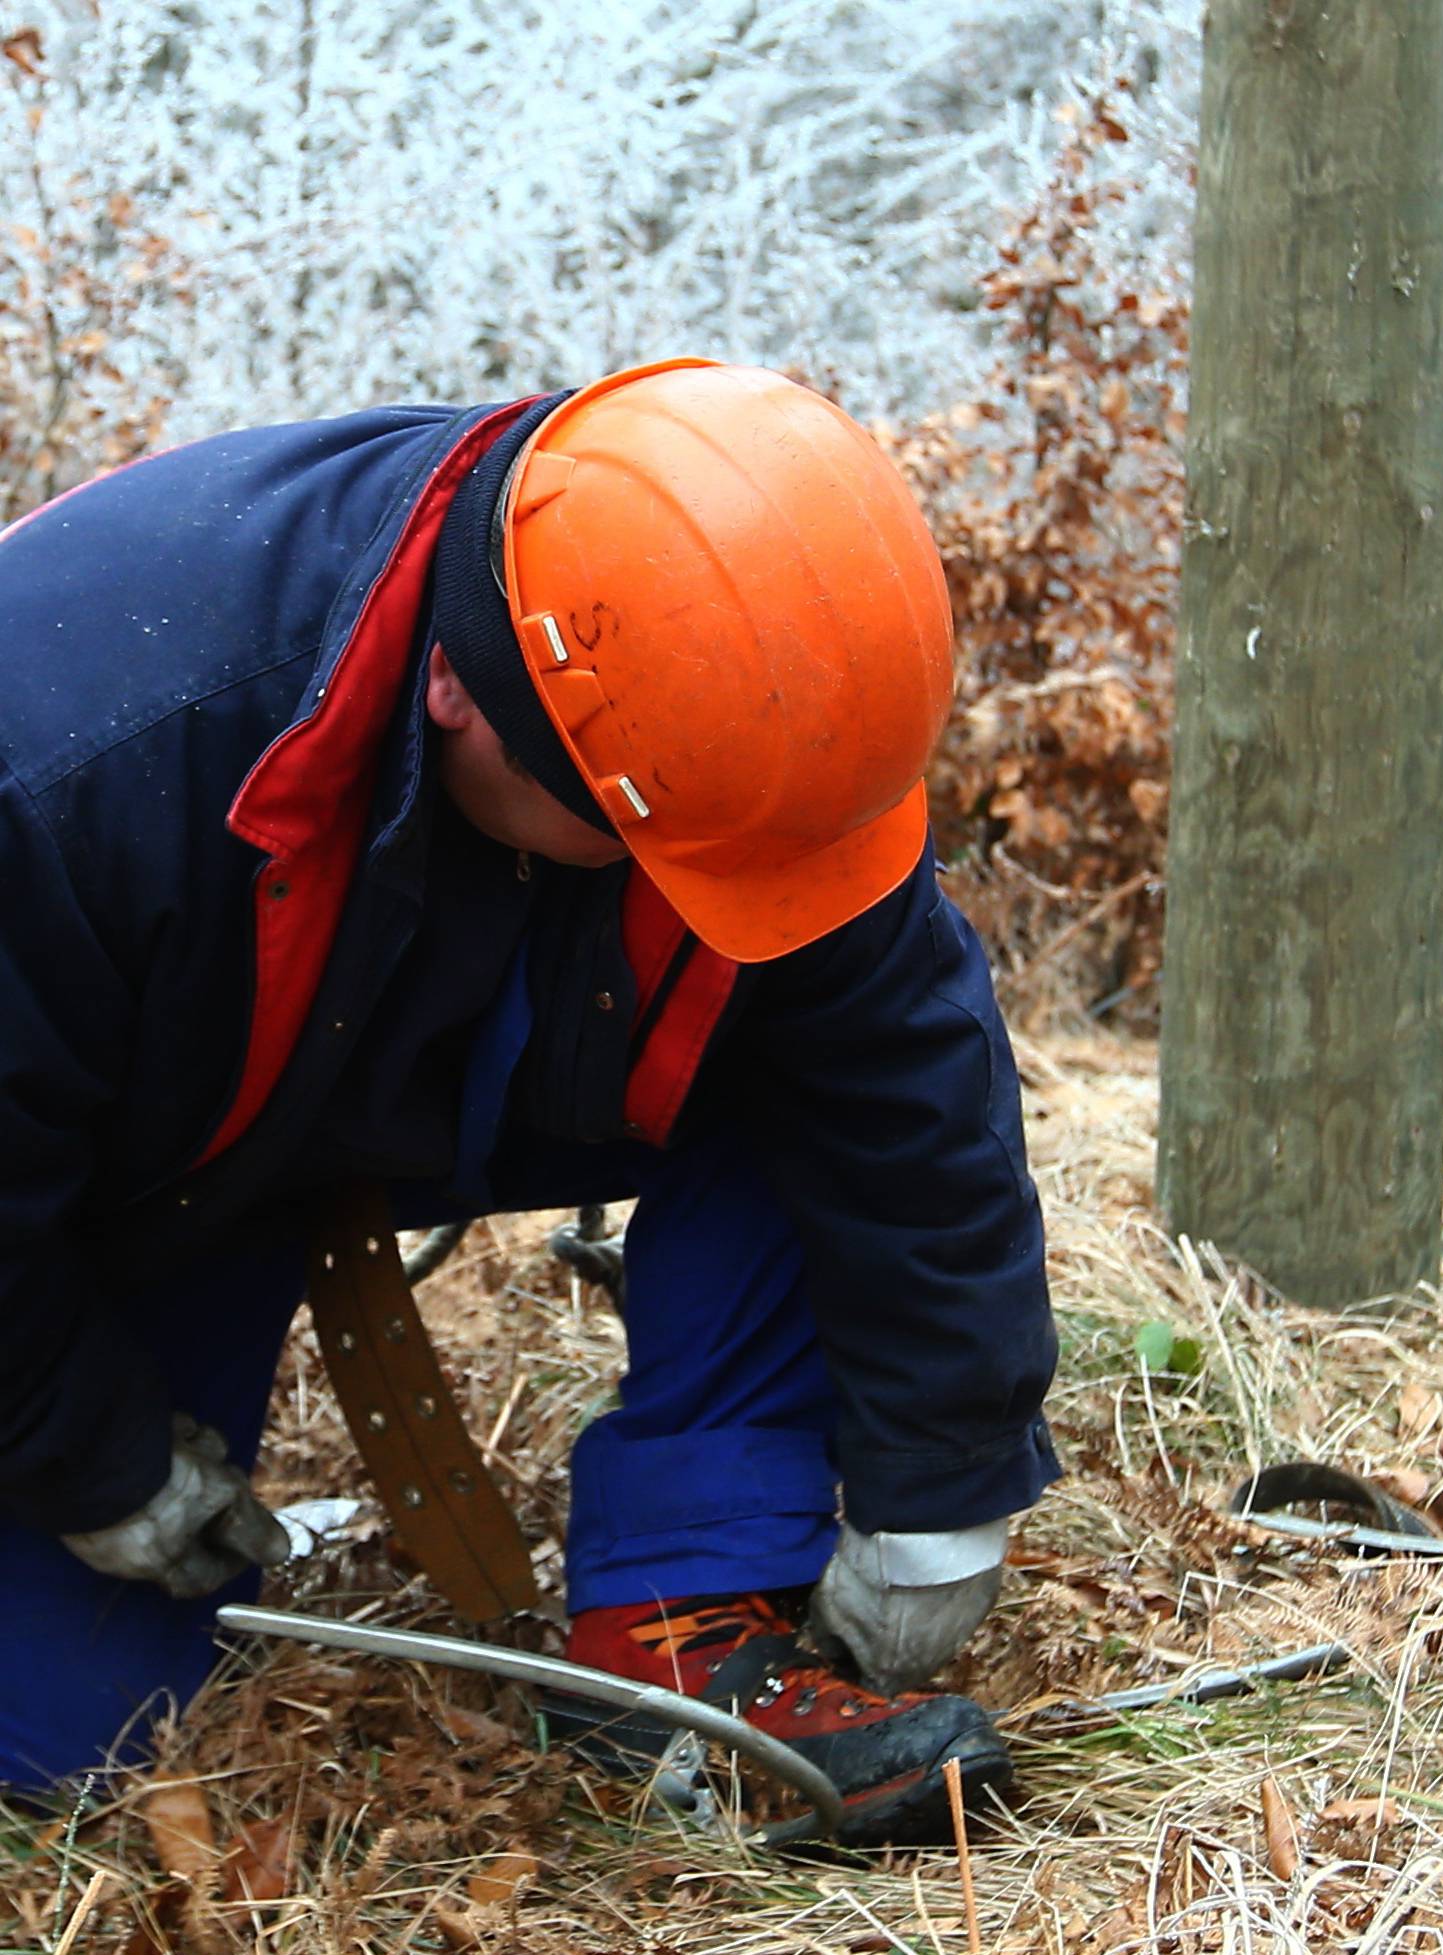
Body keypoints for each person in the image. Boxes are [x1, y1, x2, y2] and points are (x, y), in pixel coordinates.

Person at [0, 359, 1059, 1845]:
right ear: (455, 683)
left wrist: (945, 1474)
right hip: (153, 1133)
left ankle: (677, 1612)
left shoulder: (740, 686)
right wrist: (91, 1449)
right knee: (66, 1737)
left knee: (799, 1052)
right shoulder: (67, 757)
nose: (693, 876)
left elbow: (906, 1086)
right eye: (638, 831)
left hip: (503, 1043)